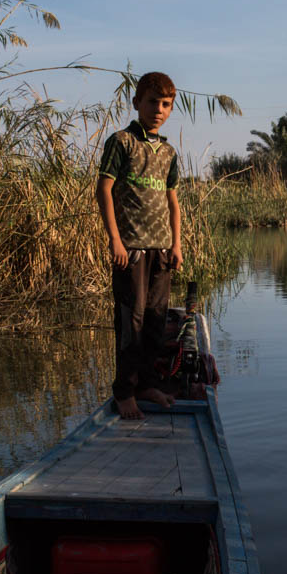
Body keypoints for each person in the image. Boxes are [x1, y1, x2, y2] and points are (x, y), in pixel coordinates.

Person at [95, 72, 184, 419]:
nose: (158, 110)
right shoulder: (121, 142)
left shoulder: (168, 152)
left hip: (162, 249)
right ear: (136, 103)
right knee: (130, 323)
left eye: (165, 105)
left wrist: (176, 244)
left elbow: (172, 201)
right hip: (130, 250)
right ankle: (124, 391)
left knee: (155, 323)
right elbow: (104, 190)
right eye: (152, 102)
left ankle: (147, 384)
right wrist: (115, 240)